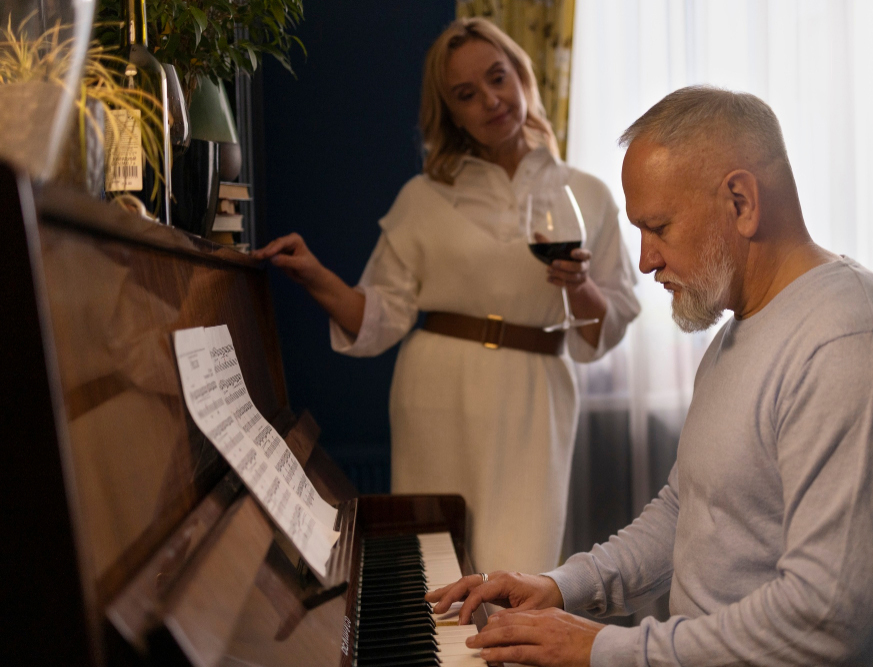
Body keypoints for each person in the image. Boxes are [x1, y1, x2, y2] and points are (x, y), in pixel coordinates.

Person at [427, 86, 873, 667]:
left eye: (657, 226)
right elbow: (690, 513)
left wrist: (601, 648)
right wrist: (561, 587)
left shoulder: (856, 351)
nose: (644, 259)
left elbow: (825, 624)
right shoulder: (743, 328)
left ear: (741, 201)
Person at [253, 18, 640, 576]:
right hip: (436, 391)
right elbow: (382, 315)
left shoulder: (589, 195)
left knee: (519, 571)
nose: (490, 99)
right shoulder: (424, 195)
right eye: (466, 94)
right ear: (450, 111)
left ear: (522, 77)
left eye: (497, 78)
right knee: (436, 566)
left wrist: (580, 288)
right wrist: (316, 275)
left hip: (535, 395)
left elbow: (608, 326)